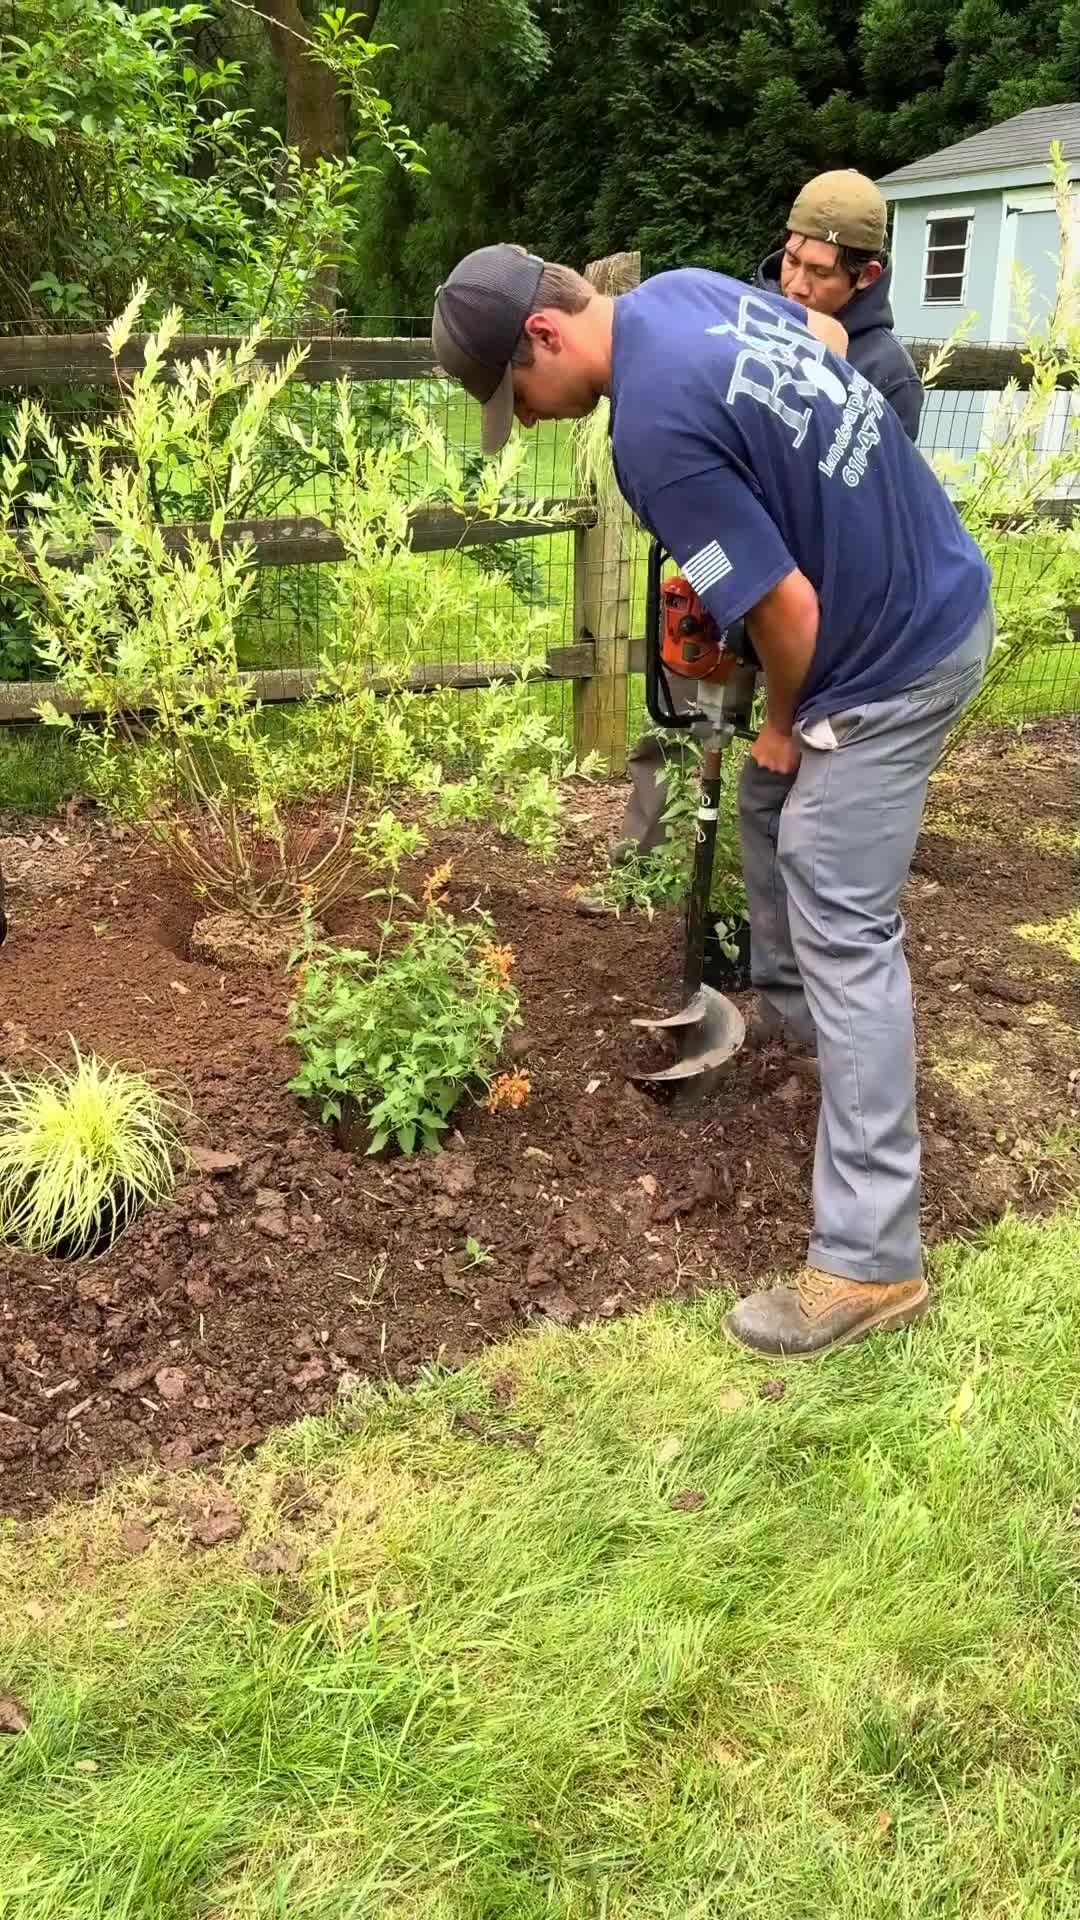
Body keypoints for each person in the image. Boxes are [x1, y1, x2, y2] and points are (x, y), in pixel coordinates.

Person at [431, 243, 994, 1359]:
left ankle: (870, 1261)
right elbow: (825, 344)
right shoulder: (686, 296)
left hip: (889, 656)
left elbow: (786, 616)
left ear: (543, 337)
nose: (529, 420)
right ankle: (785, 1010)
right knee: (770, 813)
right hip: (929, 583)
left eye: (517, 397)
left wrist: (784, 723)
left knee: (845, 916)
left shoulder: (646, 429)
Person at [616, 169, 925, 866]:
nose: (795, 285)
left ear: (866, 275)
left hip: (800, 592)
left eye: (818, 273)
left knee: (780, 762)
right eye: (790, 259)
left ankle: (771, 890)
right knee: (676, 712)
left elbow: (867, 503)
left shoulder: (885, 370)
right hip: (721, 558)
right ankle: (641, 866)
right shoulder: (745, 311)